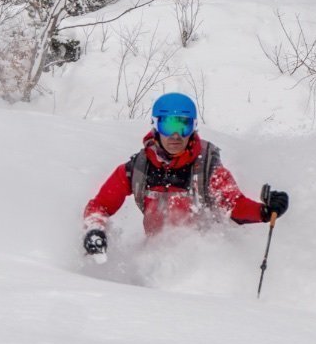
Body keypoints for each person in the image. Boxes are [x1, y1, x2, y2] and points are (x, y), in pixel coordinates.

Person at [82, 93, 289, 256]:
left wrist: (264, 211)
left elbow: (233, 204)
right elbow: (100, 205)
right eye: (168, 125)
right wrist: (95, 229)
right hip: (154, 258)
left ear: (194, 127)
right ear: (155, 126)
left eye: (183, 126)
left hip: (202, 260)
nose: (175, 135)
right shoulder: (137, 169)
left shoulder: (207, 168)